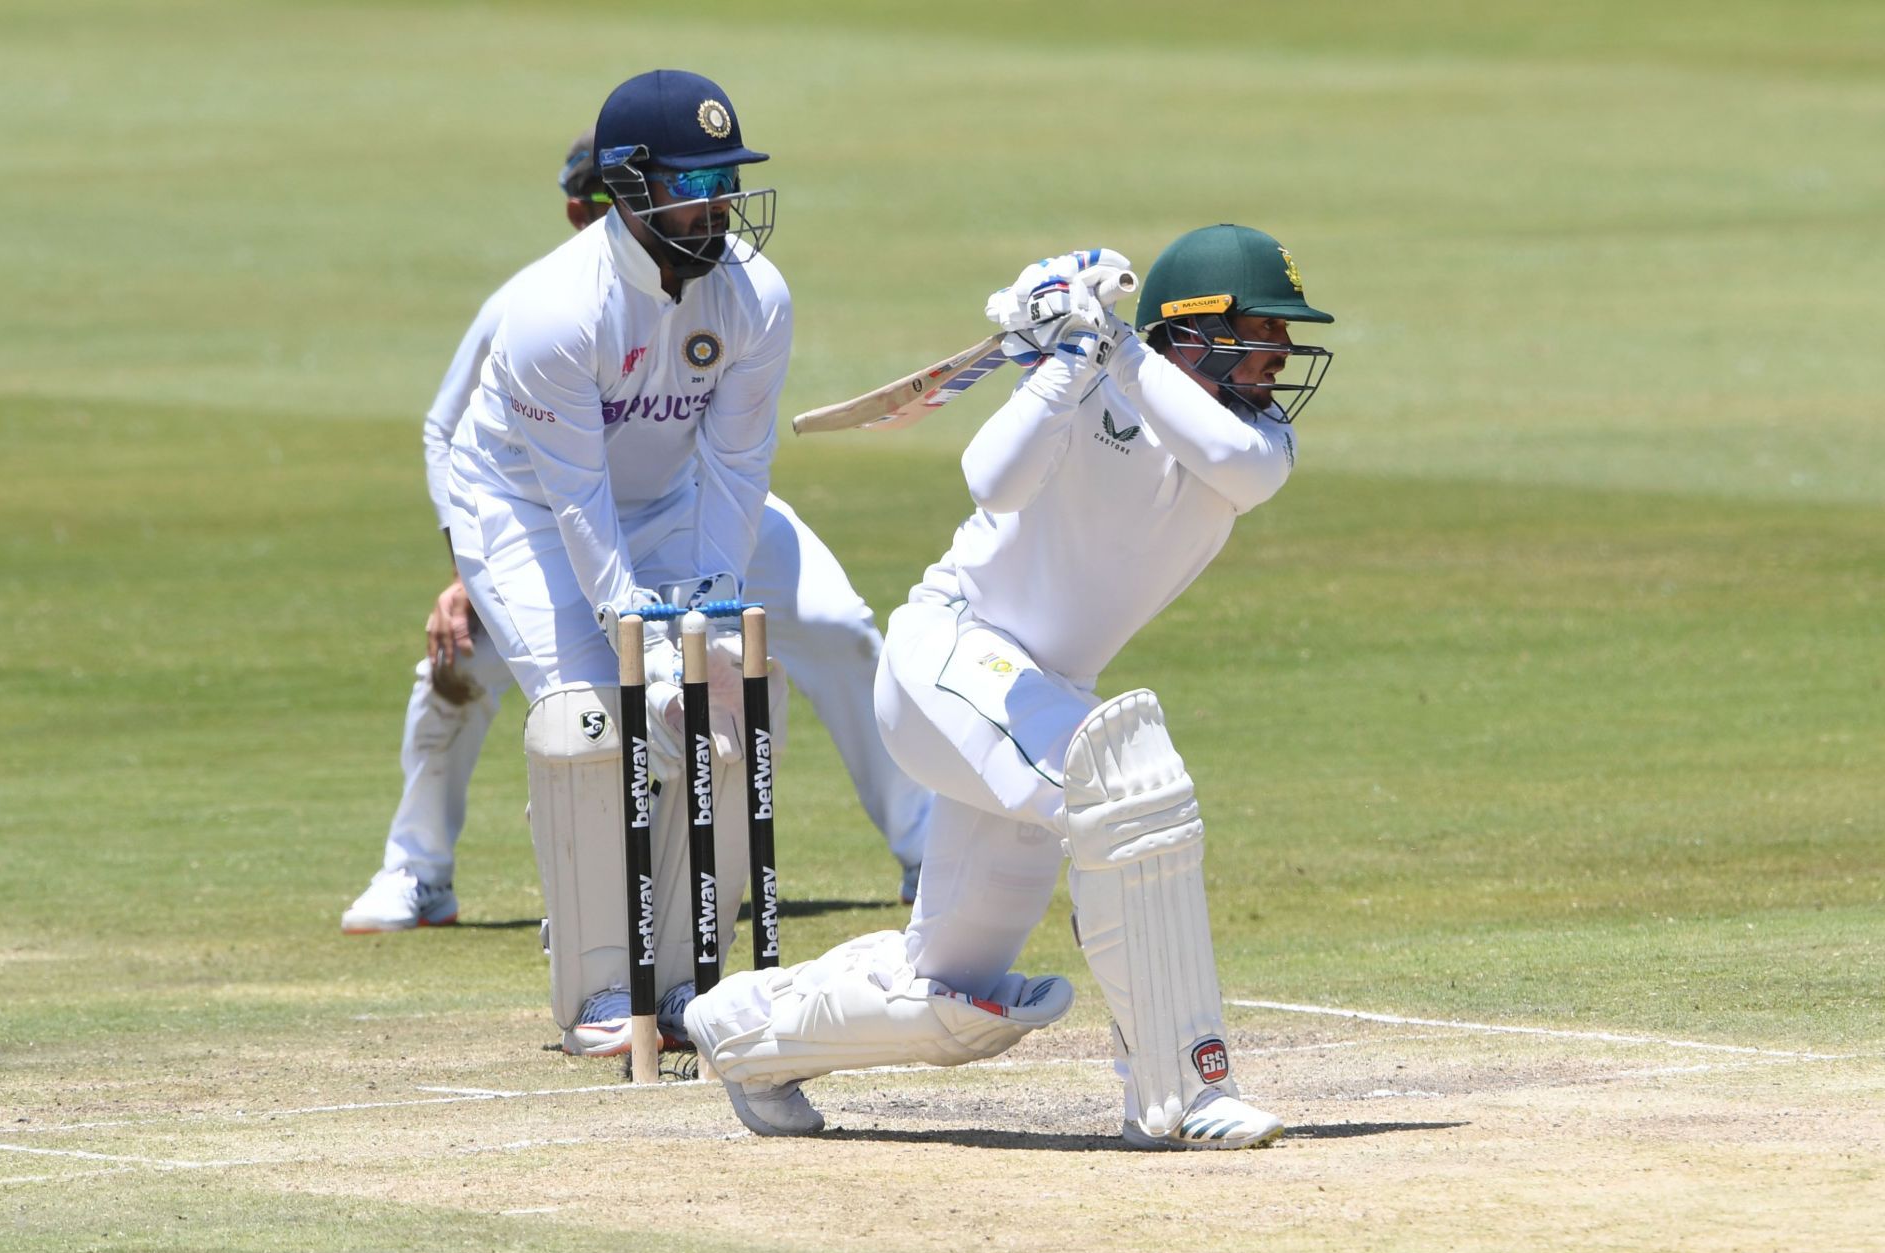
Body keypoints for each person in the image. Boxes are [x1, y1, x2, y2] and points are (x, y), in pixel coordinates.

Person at [685, 226, 1337, 1150]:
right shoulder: (1089, 384)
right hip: (951, 658)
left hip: (1032, 697)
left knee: (951, 996)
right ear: (1194, 332)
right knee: (1128, 783)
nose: (1281, 355)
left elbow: (1233, 466)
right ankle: (1180, 1094)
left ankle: (748, 1032)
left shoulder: (1257, 441)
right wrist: (1064, 359)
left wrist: (1109, 344)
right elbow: (989, 478)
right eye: (1265, 331)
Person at [340, 116, 930, 944]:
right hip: (542, 512)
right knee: (490, 678)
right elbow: (460, 439)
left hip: (684, 503)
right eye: (694, 186)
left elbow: (736, 466)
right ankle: (421, 870)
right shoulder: (540, 306)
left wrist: (713, 613)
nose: (718, 205)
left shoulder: (747, 288)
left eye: (722, 183)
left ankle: (925, 846)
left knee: (830, 626)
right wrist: (467, 570)